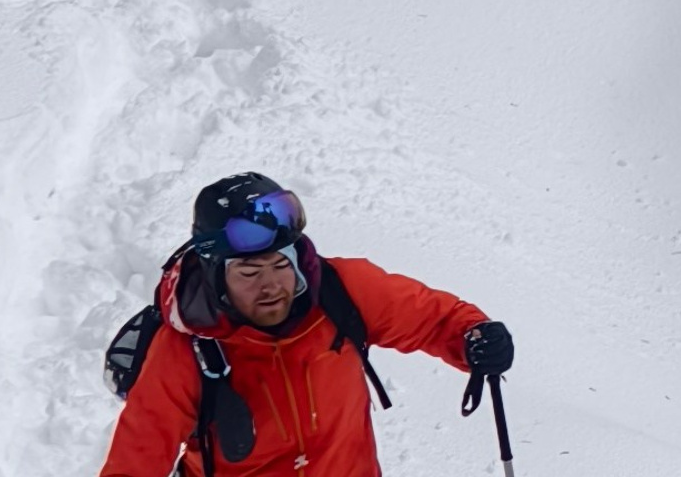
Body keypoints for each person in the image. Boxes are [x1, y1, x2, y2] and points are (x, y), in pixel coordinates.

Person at [100, 174, 514, 477]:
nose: (271, 287)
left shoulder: (340, 293)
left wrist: (473, 338)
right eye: (249, 274)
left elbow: (433, 318)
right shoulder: (184, 351)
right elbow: (136, 459)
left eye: (281, 265)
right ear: (214, 274)